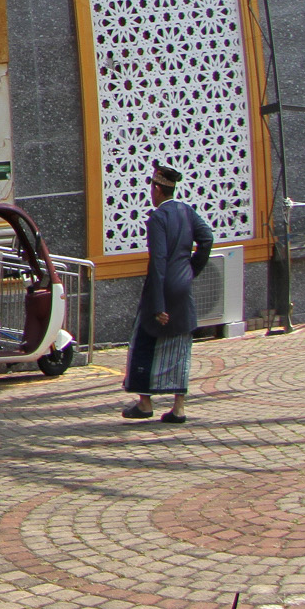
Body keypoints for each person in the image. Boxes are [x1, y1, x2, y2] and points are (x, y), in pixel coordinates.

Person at [123, 161, 213, 424]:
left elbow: (159, 260)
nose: (151, 191)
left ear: (158, 190)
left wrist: (158, 304)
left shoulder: (158, 218)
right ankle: (179, 408)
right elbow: (206, 239)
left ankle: (144, 402)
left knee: (142, 341)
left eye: (152, 186)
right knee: (179, 346)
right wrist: (190, 270)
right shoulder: (186, 211)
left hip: (161, 287)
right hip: (183, 286)